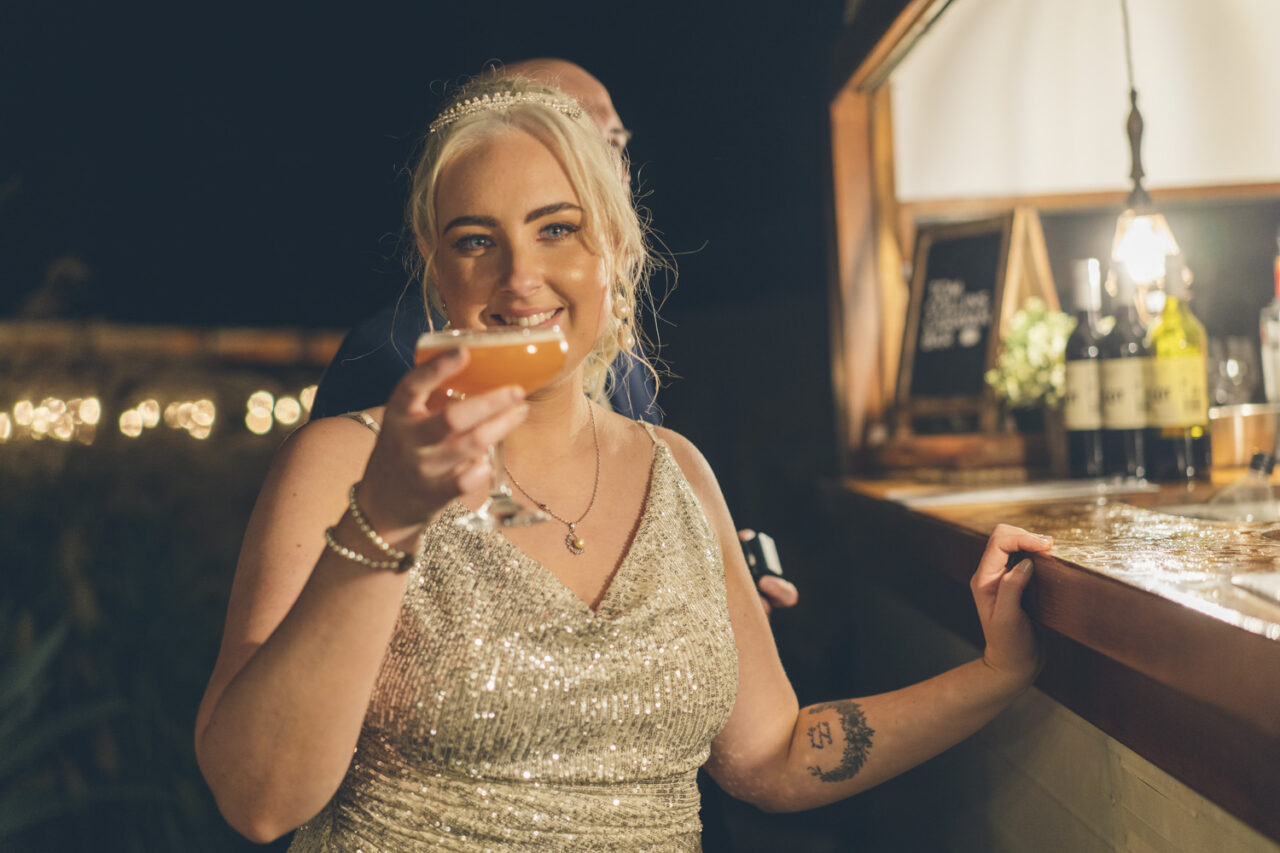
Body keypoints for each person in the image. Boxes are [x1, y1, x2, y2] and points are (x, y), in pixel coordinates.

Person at [194, 73, 1053, 850]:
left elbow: (774, 754)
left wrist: (996, 672)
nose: (520, 277)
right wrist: (383, 522)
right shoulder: (343, 459)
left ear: (616, 247)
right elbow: (259, 802)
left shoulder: (679, 469)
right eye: (475, 240)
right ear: (434, 268)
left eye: (557, 228)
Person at [307, 57, 798, 617]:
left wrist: (699, 589)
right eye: (582, 134)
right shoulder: (395, 358)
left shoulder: (617, 359)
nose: (609, 166)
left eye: (616, 143)